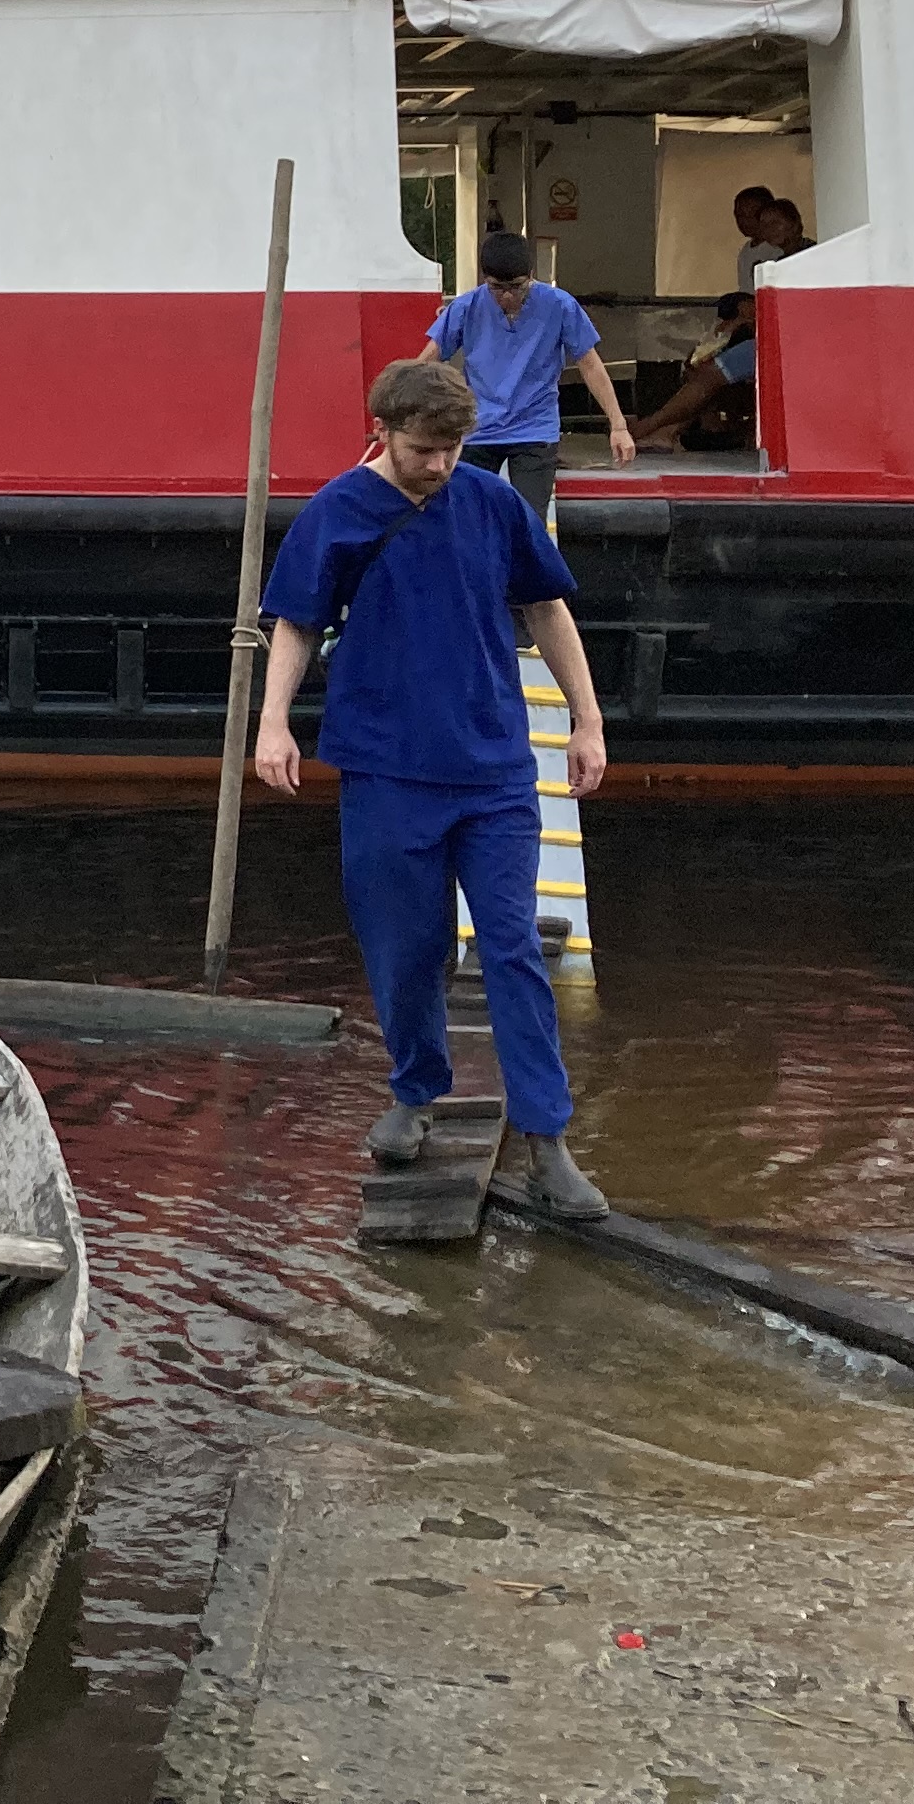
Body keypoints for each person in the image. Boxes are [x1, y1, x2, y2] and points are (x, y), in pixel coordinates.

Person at [256, 357, 611, 1219]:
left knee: (513, 948)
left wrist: (587, 718)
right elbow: (296, 621)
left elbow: (547, 608)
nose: (439, 465)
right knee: (405, 949)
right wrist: (272, 723)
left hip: (492, 769)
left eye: (453, 449)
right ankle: (416, 1091)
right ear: (383, 432)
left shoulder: (490, 502)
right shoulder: (337, 512)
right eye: (423, 450)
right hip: (384, 770)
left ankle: (547, 1138)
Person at [417, 233, 633, 523]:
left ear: (531, 276)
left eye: (516, 287)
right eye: (497, 287)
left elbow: (590, 364)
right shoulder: (466, 307)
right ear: (484, 280)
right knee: (467, 519)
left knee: (529, 522)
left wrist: (618, 425)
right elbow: (425, 363)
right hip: (478, 427)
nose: (507, 295)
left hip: (535, 428)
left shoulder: (559, 305)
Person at [641, 190, 809, 449]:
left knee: (709, 372)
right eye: (765, 224)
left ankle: (655, 426)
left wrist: (742, 320)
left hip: (785, 343)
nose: (769, 230)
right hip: (766, 335)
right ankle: (680, 427)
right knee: (702, 365)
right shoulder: (777, 259)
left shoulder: (804, 259)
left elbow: (778, 309)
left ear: (796, 222)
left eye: (776, 223)